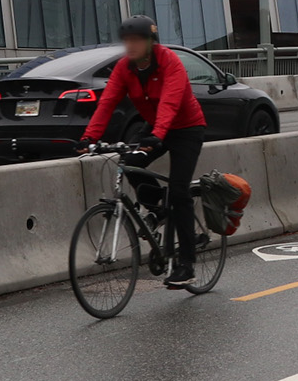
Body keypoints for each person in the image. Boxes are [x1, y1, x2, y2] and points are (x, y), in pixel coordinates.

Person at [80, 15, 209, 286]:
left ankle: (186, 264)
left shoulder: (170, 62)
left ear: (152, 41)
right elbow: (107, 102)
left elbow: (171, 103)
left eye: (137, 40)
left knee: (178, 190)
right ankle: (158, 210)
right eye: (127, 41)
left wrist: (156, 136)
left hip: (186, 128)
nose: (131, 46)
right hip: (155, 126)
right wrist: (89, 137)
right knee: (129, 162)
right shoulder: (124, 68)